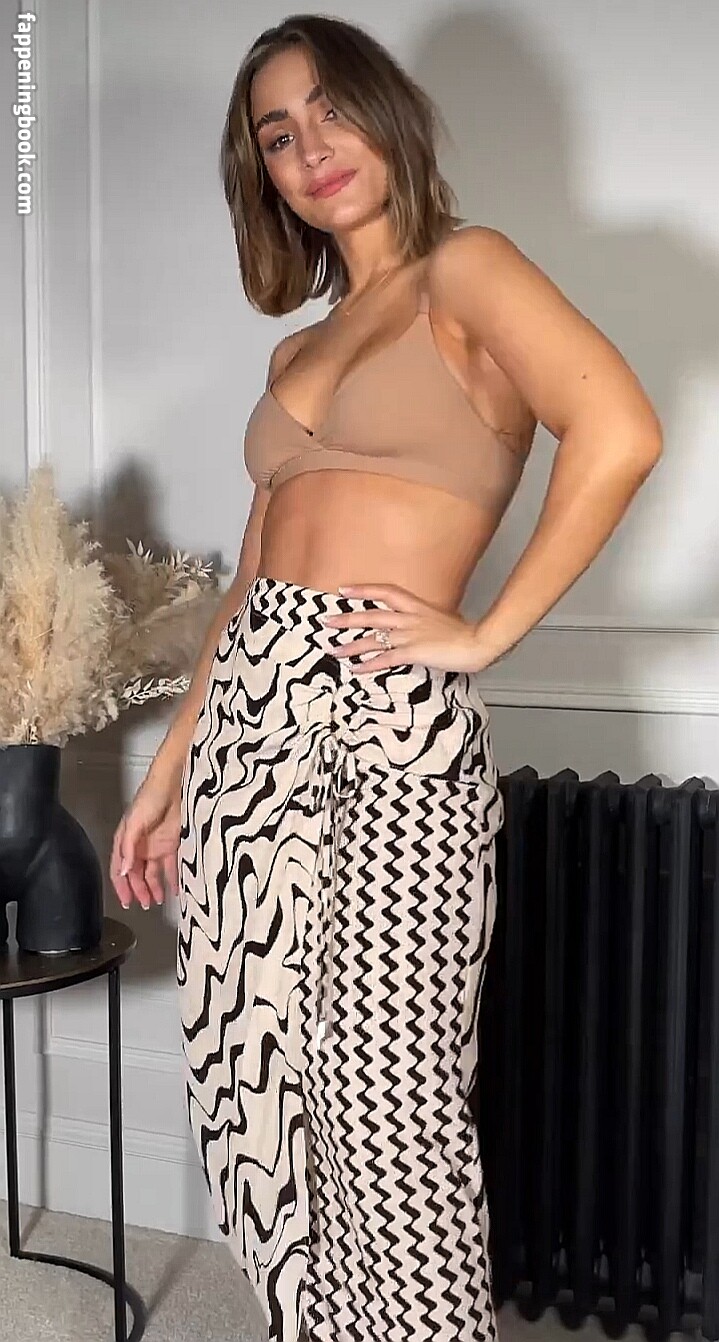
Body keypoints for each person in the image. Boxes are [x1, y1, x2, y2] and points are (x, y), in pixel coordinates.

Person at [109, 14, 662, 1342]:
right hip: (251, 714)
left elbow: (620, 430)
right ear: (262, 174)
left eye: (330, 110)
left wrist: (486, 632)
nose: (311, 148)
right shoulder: (294, 351)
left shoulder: (466, 269)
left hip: (388, 715)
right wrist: (167, 775)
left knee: (386, 1094)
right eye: (276, 136)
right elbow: (251, 581)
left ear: (387, 112)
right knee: (255, 1073)